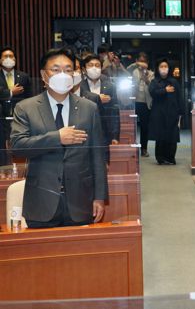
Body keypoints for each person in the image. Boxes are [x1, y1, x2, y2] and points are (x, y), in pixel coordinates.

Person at [10, 48, 108, 228]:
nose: (62, 74)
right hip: (41, 201)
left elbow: (97, 157)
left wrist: (99, 197)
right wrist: (57, 137)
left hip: (80, 201)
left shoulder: (89, 108)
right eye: (55, 70)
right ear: (43, 75)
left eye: (68, 69)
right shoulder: (26, 108)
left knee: (81, 254)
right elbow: (17, 146)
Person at [80, 54, 121, 149]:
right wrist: (97, 98)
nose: (94, 68)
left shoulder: (110, 86)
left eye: (97, 65)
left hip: (104, 130)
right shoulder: (78, 86)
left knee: (103, 161)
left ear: (101, 68)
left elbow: (114, 111)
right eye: (90, 65)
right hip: (83, 130)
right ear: (84, 69)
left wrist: (115, 135)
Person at [148, 58, 184, 165]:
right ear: (158, 69)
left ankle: (170, 157)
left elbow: (179, 97)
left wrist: (181, 112)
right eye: (161, 67)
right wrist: (165, 90)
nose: (164, 69)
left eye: (166, 67)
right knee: (160, 136)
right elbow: (152, 92)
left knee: (172, 136)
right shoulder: (154, 81)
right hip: (159, 113)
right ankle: (160, 157)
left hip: (172, 113)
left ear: (169, 68)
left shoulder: (174, 81)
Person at [131, 52, 154, 157]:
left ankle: (144, 149)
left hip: (146, 103)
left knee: (145, 127)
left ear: (147, 63)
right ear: (137, 62)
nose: (142, 63)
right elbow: (133, 85)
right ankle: (131, 148)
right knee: (132, 126)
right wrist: (140, 75)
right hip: (135, 102)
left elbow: (152, 88)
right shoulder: (134, 71)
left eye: (144, 61)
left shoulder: (151, 73)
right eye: (140, 61)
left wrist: (146, 78)